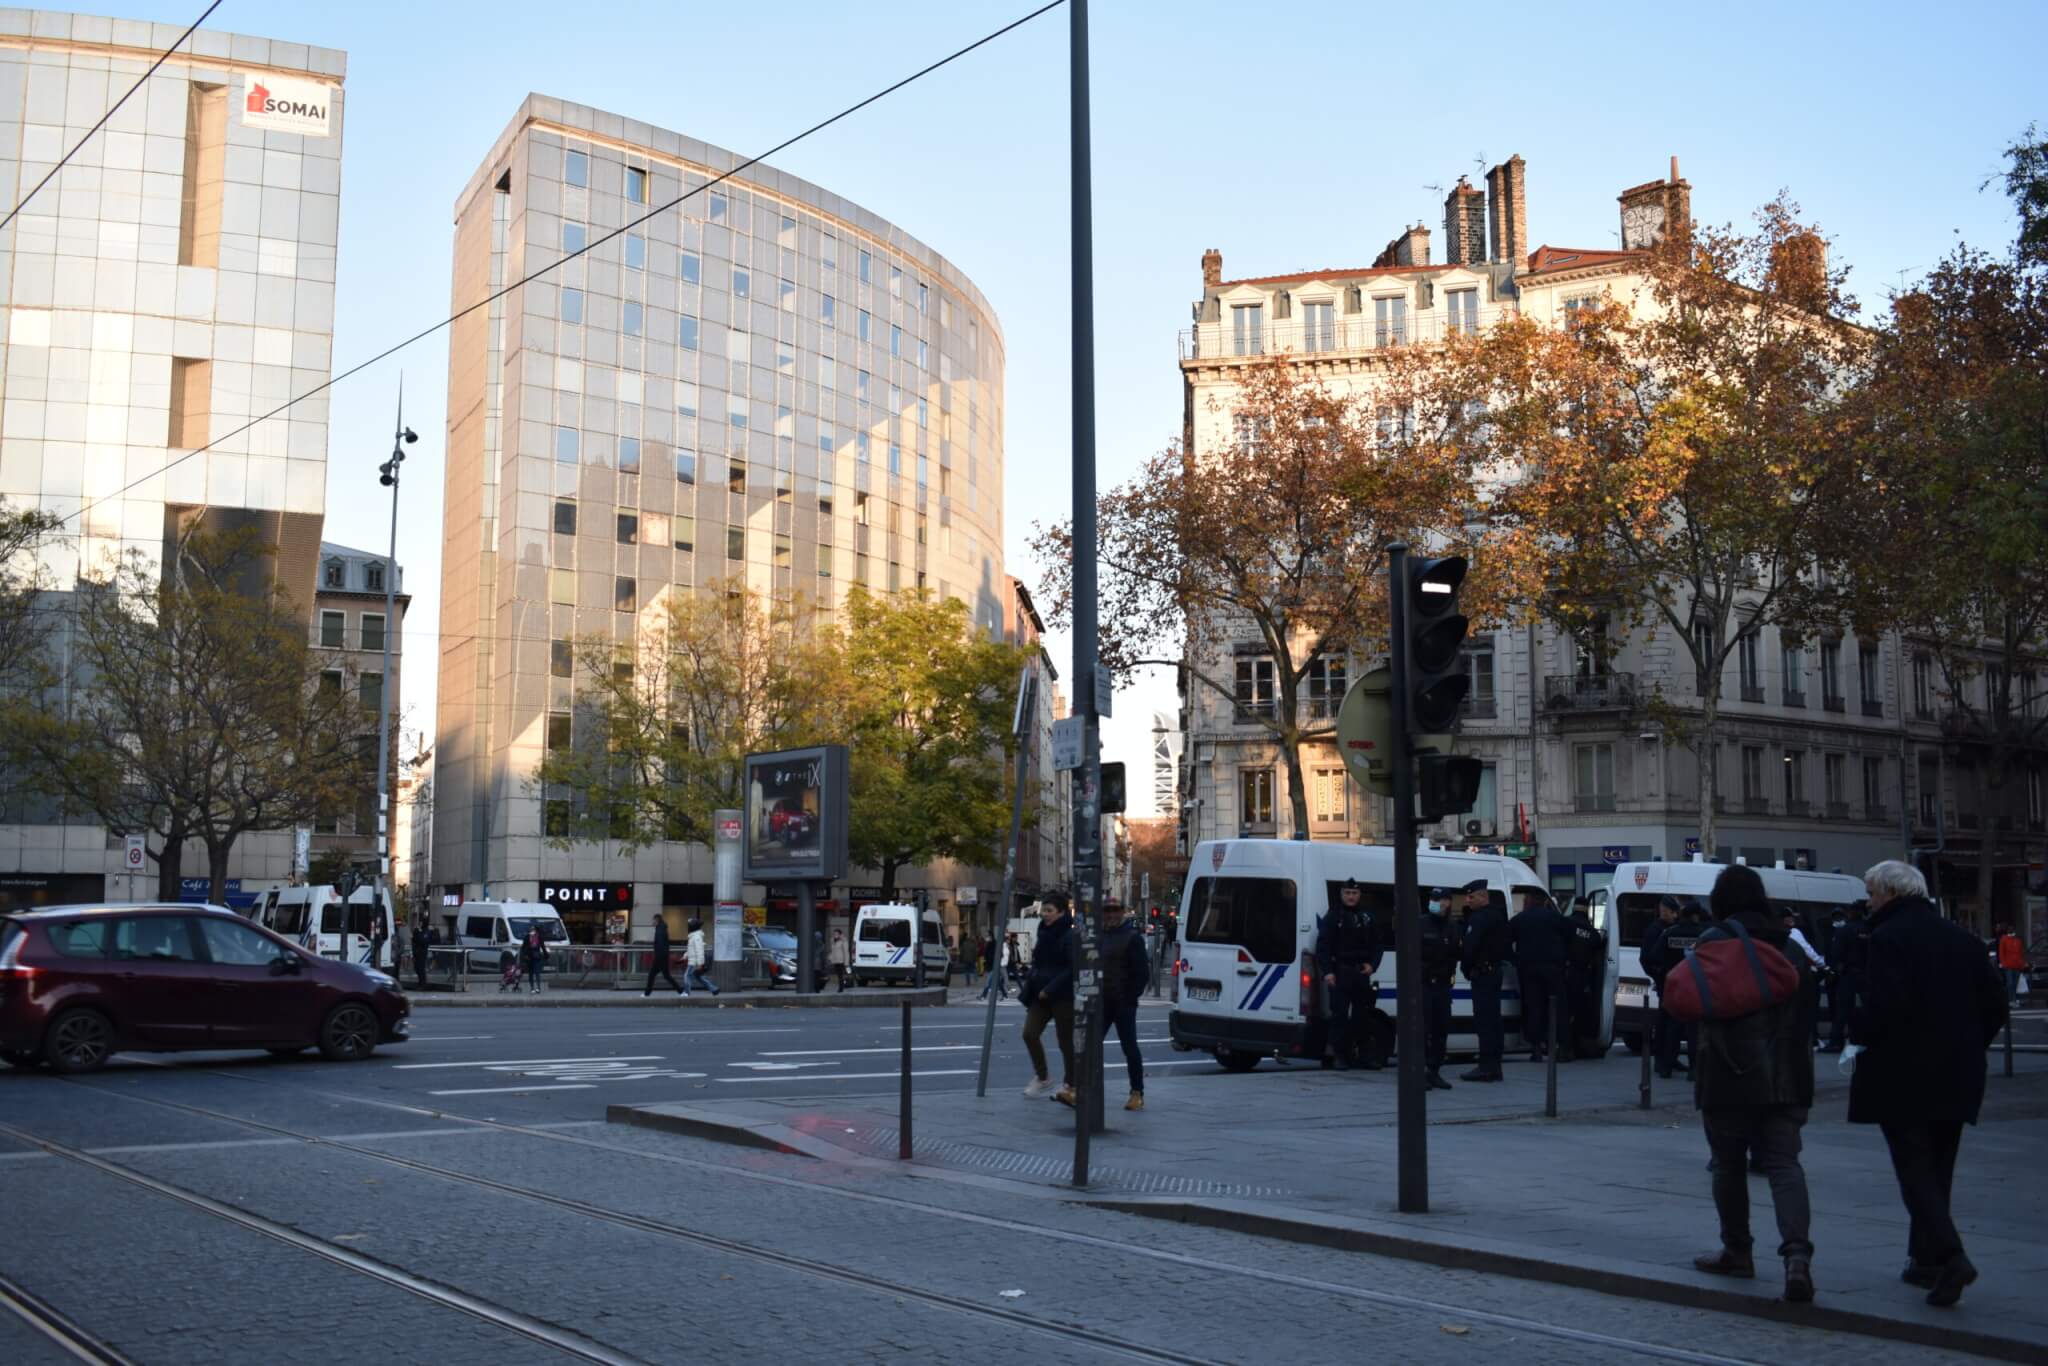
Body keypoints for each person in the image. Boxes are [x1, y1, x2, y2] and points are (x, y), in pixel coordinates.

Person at [1849, 860, 2009, 1308]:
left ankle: (1951, 1256)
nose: (1869, 901)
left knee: (1914, 1169)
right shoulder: (1963, 938)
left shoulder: (1887, 939)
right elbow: (1995, 1003)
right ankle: (1925, 1262)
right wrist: (1969, 1044)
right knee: (1939, 1167)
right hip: (1958, 1071)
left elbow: (1884, 1008)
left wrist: (1857, 1026)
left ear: (1892, 894)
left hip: (1903, 1072)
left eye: (1872, 892)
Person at [1689, 864, 1818, 1305]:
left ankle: (1737, 1250)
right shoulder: (1790, 946)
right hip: (1784, 1073)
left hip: (1727, 1073)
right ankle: (1797, 1258)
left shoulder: (1713, 943)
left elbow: (1691, 1001)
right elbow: (1807, 1009)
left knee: (1727, 1165)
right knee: (1785, 1165)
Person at [1316, 879, 1384, 1070]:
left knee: (1362, 1017)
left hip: (1361, 973)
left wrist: (1373, 965)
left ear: (1359, 895)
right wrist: (1328, 972)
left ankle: (1363, 1056)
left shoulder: (1367, 917)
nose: (1351, 897)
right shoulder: (1333, 917)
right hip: (1340, 973)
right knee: (1339, 1017)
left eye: (1354, 893)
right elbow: (1323, 947)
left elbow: (1378, 945)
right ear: (1341, 894)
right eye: (1347, 893)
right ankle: (1338, 1056)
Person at [1019, 895, 1076, 1103]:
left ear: (1061, 912)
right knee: (1029, 1033)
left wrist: (1051, 988)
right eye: (1044, 910)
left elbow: (1072, 968)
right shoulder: (1043, 932)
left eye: (1049, 910)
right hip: (1040, 994)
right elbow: (1039, 963)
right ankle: (1043, 1077)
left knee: (1066, 1042)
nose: (1045, 914)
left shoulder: (1070, 935)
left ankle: (1071, 1083)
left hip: (1062, 995)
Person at [1099, 900, 1152, 1110]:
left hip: (1123, 1002)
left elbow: (1142, 973)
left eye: (1115, 910)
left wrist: (1130, 997)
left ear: (1122, 913)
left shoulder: (1132, 938)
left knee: (1129, 1047)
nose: (1111, 914)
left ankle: (1137, 1092)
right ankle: (1080, 1088)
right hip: (1102, 1001)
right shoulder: (1099, 936)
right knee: (1090, 1047)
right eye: (1107, 910)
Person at [1508, 889, 1570, 1062]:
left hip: (1528, 970)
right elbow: (1570, 938)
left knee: (1533, 1008)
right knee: (1558, 1008)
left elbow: (1505, 942)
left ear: (1527, 901)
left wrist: (1516, 960)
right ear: (1544, 902)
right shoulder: (1555, 918)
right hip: (1553, 969)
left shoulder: (1519, 919)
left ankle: (1536, 1048)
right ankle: (1561, 1048)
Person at [1458, 880, 1507, 1082]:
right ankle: (1494, 1065)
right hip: (1494, 971)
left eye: (1471, 897)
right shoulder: (1498, 916)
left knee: (1484, 1021)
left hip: (1483, 974)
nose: (1468, 901)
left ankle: (1486, 1066)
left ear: (1482, 896)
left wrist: (1465, 968)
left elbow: (1470, 947)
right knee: (1494, 1020)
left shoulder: (1479, 918)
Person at [1419, 887, 1459, 1090]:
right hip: (1423, 986)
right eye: (1436, 899)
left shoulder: (1451, 927)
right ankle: (1420, 1073)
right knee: (1423, 1031)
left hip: (1443, 986)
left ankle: (1434, 1071)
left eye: (1444, 900)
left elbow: (1454, 955)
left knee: (1441, 1030)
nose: (1441, 904)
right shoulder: (1420, 923)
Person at [1641, 896, 1681, 1078]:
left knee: (1669, 1019)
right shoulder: (1655, 931)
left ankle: (1667, 1057)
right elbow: (1646, 958)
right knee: (1666, 1021)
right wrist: (1658, 976)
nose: (1674, 916)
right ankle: (1662, 1058)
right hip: (1666, 980)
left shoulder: (1669, 929)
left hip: (1672, 979)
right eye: (1671, 912)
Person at [1563, 896, 1605, 1058]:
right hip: (1581, 978)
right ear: (1588, 910)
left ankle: (1564, 1045)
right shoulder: (1593, 934)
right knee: (1579, 1012)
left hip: (1563, 973)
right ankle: (1576, 1046)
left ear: (1574, 907)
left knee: (1563, 1011)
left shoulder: (1564, 924)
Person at [1781, 909, 1826, 1048]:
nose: (1793, 920)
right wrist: (1822, 964)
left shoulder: (1773, 935)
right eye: (1790, 917)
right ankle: (1812, 1039)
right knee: (1809, 1009)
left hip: (1784, 978)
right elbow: (1808, 951)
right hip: (1803, 976)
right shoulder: (1794, 933)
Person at [643, 914, 683, 997]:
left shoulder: (660, 931)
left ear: (657, 920)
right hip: (662, 956)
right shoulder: (661, 928)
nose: (652, 922)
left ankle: (647, 993)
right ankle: (681, 991)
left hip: (660, 957)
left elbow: (660, 944)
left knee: (652, 975)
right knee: (666, 976)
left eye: (653, 920)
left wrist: (658, 957)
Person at [683, 917, 719, 996]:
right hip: (694, 960)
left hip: (694, 961)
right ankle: (714, 989)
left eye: (689, 925)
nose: (688, 927)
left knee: (687, 975)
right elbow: (692, 949)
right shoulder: (694, 936)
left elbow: (699, 950)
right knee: (697, 976)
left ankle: (686, 992)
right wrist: (685, 955)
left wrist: (700, 964)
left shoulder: (696, 936)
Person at [1995, 924, 2026, 1005]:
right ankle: (2010, 999)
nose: (2011, 930)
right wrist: (2003, 963)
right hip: (2008, 965)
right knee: (2010, 983)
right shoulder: (2004, 939)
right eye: (2009, 929)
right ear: (2007, 930)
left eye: (2012, 929)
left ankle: (2014, 998)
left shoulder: (2018, 940)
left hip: (2017, 965)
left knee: (2015, 983)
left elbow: (2020, 953)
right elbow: (2001, 952)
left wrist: (2022, 964)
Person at [519, 926, 547, 995]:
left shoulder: (539, 937)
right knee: (531, 973)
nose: (532, 931)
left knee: (537, 972)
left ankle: (538, 988)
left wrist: (545, 954)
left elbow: (543, 946)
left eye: (533, 930)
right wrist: (523, 955)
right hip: (529, 957)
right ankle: (532, 988)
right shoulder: (527, 937)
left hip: (536, 956)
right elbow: (523, 947)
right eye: (531, 930)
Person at [410, 918, 431, 992]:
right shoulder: (419, 931)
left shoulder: (426, 932)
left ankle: (422, 984)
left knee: (421, 968)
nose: (420, 924)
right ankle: (420, 983)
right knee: (417, 968)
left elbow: (422, 940)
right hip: (417, 952)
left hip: (422, 953)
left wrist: (417, 934)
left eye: (421, 922)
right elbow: (414, 940)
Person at [828, 928, 850, 992]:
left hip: (841, 961)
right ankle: (841, 986)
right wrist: (830, 958)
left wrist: (846, 963)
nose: (835, 935)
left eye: (836, 934)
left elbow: (846, 952)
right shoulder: (833, 941)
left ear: (840, 934)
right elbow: (832, 951)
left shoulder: (844, 941)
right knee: (838, 975)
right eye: (834, 933)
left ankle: (841, 988)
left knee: (841, 975)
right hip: (835, 961)